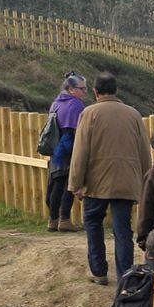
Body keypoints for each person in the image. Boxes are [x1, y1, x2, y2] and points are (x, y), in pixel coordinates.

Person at [67, 72, 150, 284]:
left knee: (93, 223)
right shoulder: (133, 114)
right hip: (126, 181)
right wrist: (145, 181)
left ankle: (99, 271)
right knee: (123, 230)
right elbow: (144, 151)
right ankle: (125, 275)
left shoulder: (89, 113)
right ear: (116, 91)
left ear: (95, 92)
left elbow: (80, 151)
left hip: (96, 182)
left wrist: (76, 183)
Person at [41, 74, 86, 231]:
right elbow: (78, 129)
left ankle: (52, 220)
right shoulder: (75, 104)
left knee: (56, 182)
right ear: (71, 89)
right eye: (82, 89)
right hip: (69, 145)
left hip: (56, 147)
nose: (84, 92)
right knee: (68, 183)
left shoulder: (56, 103)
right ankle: (64, 219)